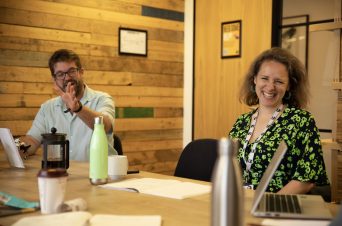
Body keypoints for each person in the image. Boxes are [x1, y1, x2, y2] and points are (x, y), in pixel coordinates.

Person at [229, 47, 329, 194]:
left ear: (289, 86)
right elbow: (229, 167)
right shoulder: (241, 122)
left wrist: (267, 205)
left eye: (279, 81)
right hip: (241, 203)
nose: (270, 87)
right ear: (254, 79)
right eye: (264, 78)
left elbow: (306, 180)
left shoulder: (301, 121)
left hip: (279, 206)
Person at [20, 49, 116, 161]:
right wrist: (16, 146)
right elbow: (32, 140)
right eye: (60, 74)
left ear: (81, 72)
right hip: (61, 175)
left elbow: (105, 126)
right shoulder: (47, 108)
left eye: (72, 71)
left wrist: (77, 108)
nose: (67, 77)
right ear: (54, 79)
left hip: (99, 175)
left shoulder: (102, 99)